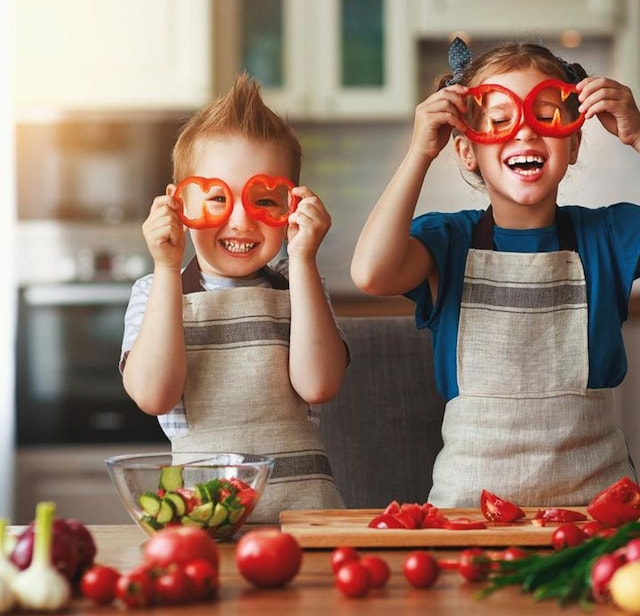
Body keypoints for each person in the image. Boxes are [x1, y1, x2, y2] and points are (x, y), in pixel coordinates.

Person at [351, 37, 640, 508]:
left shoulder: (608, 235)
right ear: (468, 151)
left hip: (596, 518)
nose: (524, 133)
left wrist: (637, 133)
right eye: (501, 120)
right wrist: (419, 153)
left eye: (544, 117)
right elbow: (371, 274)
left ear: (573, 141)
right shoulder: (447, 241)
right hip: (468, 517)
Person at [120, 73, 347, 522]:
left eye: (265, 200)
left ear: (293, 205)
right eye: (216, 199)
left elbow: (319, 385)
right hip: (206, 520)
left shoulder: (300, 287)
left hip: (306, 521)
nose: (241, 221)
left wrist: (303, 261)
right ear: (178, 205)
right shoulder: (156, 292)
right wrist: (167, 267)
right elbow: (153, 395)